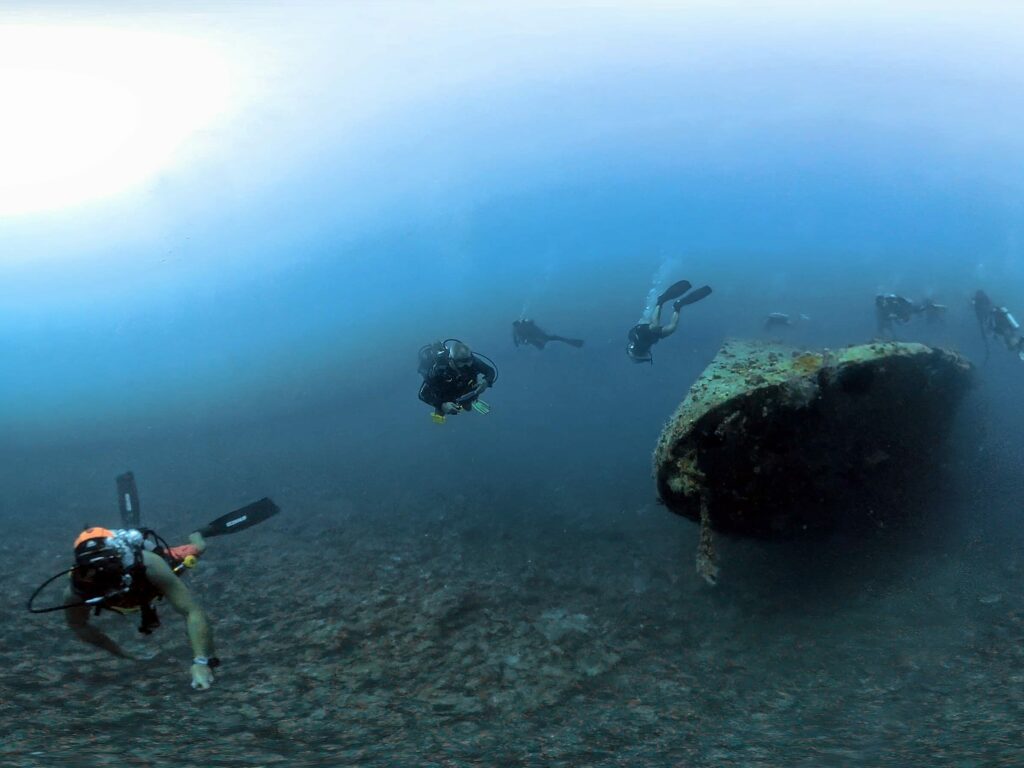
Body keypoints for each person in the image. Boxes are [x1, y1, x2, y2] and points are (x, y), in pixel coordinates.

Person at [63, 527, 217, 690]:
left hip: (149, 573)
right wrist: (119, 652)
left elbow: (191, 610)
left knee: (197, 549)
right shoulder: (78, 589)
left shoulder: (150, 563)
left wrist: (201, 662)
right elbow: (78, 624)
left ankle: (197, 534)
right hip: (138, 584)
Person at [627, 280, 712, 364]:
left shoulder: (633, 346)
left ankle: (660, 301)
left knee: (655, 326)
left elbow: (632, 342)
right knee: (671, 328)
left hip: (640, 332)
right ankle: (678, 305)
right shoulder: (643, 351)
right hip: (651, 337)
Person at [418, 339, 497, 417]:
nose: (467, 367)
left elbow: (490, 371)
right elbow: (423, 394)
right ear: (452, 361)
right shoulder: (439, 370)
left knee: (468, 407)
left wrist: (486, 381)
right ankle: (442, 410)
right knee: (440, 414)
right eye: (463, 364)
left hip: (465, 389)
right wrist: (442, 405)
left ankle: (469, 401)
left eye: (469, 362)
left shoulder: (472, 361)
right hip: (446, 395)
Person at [512, 319, 583, 350]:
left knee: (546, 342)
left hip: (537, 337)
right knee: (551, 339)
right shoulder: (519, 328)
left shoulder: (519, 328)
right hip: (536, 338)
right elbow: (532, 322)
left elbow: (518, 340)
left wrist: (518, 343)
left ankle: (572, 342)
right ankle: (572, 342)